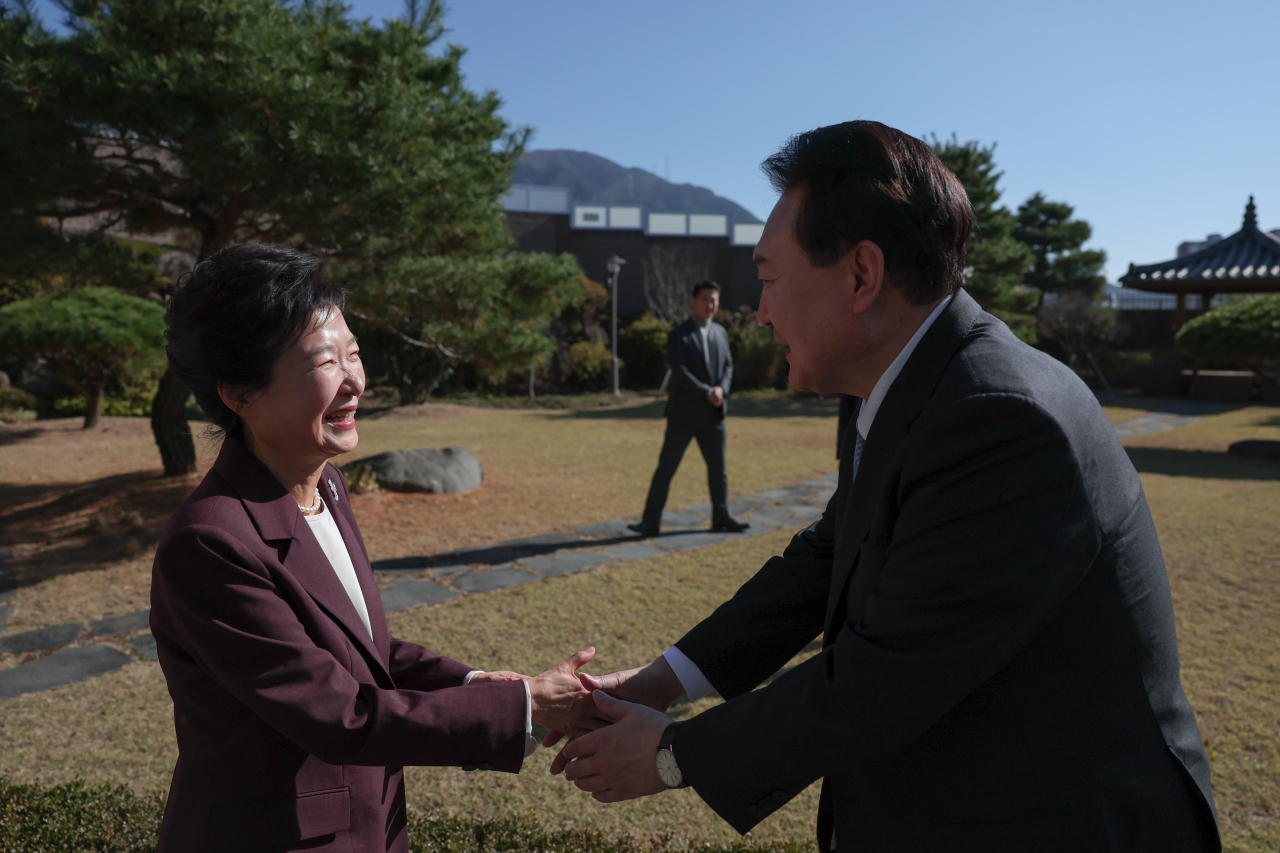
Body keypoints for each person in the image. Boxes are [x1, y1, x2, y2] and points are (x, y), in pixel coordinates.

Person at [550, 122, 1221, 852]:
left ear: (861, 275)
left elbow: (884, 678)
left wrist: (674, 753)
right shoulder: (904, 381)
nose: (761, 310)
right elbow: (826, 557)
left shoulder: (1001, 417)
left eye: (770, 279)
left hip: (1051, 819)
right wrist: (661, 680)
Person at [150, 244, 600, 853]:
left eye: (354, 352)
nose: (356, 380)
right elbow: (340, 714)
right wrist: (520, 706)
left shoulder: (325, 485)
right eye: (325, 361)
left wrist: (478, 683)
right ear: (240, 394)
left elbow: (363, 649)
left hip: (368, 826)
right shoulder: (210, 543)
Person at [628, 281, 750, 536]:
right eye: (706, 299)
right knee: (666, 469)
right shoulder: (679, 334)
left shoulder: (721, 332)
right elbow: (680, 372)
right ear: (693, 301)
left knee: (719, 470)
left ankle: (722, 516)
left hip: (714, 414)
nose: (711, 304)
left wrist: (721, 390)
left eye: (715, 299)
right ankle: (650, 521)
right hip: (683, 415)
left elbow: (728, 366)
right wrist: (707, 391)